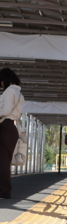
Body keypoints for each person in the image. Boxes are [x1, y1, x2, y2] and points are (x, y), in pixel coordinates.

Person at [0, 68, 25, 200]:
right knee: (5, 161)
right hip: (11, 127)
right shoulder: (20, 94)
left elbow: (6, 109)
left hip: (5, 125)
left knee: (3, 161)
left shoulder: (9, 92)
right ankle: (4, 191)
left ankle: (4, 192)